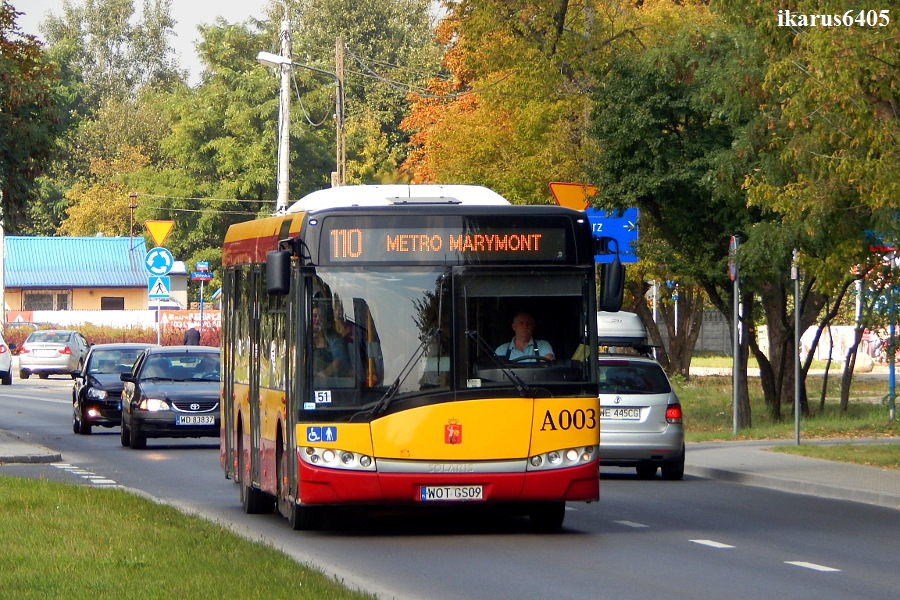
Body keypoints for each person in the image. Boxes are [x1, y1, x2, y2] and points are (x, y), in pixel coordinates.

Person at [312, 305, 350, 382]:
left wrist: (324, 374)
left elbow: (339, 360)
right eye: (314, 316)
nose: (318, 319)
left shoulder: (334, 339)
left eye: (321, 316)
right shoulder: (302, 339)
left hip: (332, 382)